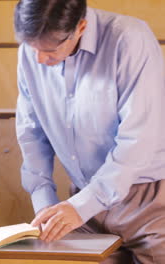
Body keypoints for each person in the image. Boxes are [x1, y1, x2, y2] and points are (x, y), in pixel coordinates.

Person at [14, 0, 165, 263]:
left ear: (80, 27)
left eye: (49, 50)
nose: (38, 59)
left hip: (148, 202)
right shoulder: (33, 51)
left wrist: (81, 206)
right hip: (83, 200)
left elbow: (137, 139)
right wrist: (45, 204)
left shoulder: (129, 39)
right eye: (31, 48)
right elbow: (32, 134)